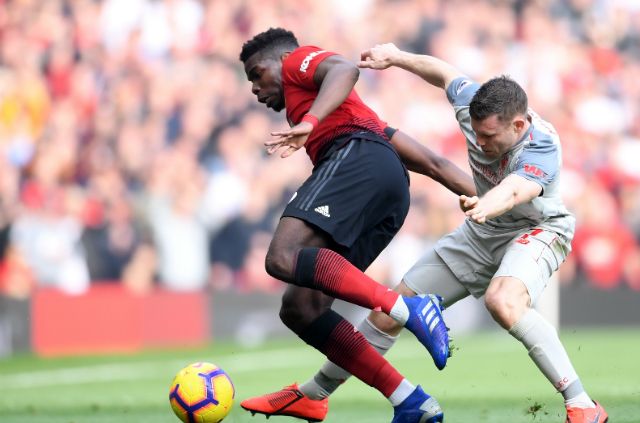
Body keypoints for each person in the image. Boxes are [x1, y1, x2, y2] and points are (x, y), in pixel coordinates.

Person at [244, 43, 609, 423]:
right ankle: (315, 394)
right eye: (477, 134)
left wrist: (485, 203)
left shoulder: (542, 145)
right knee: (388, 315)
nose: (480, 144)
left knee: (503, 302)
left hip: (536, 228)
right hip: (482, 231)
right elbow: (443, 73)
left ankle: (582, 405)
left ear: (518, 126)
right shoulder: (473, 105)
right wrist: (397, 57)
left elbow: (518, 190)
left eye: (489, 137)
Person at [238, 28, 478, 423]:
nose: (254, 88)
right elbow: (434, 164)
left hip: (357, 160)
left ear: (279, 61)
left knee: (282, 256)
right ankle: (408, 399)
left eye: (255, 74)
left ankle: (408, 308)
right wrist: (496, 200)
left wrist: (311, 121)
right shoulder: (354, 113)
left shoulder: (299, 62)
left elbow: (344, 68)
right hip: (390, 189)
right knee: (301, 308)